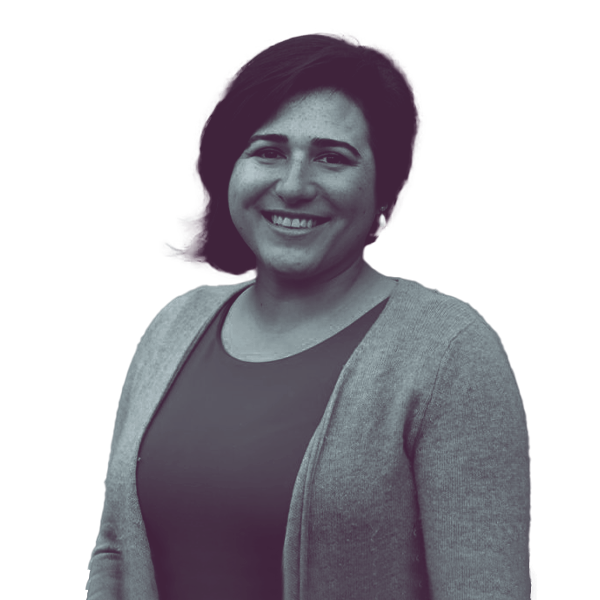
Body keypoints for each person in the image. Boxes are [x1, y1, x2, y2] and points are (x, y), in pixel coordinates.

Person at [86, 35, 530, 600]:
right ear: (231, 170)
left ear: (384, 187)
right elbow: (116, 549)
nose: (293, 186)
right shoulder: (172, 329)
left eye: (332, 157)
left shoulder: (449, 354)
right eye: (268, 151)